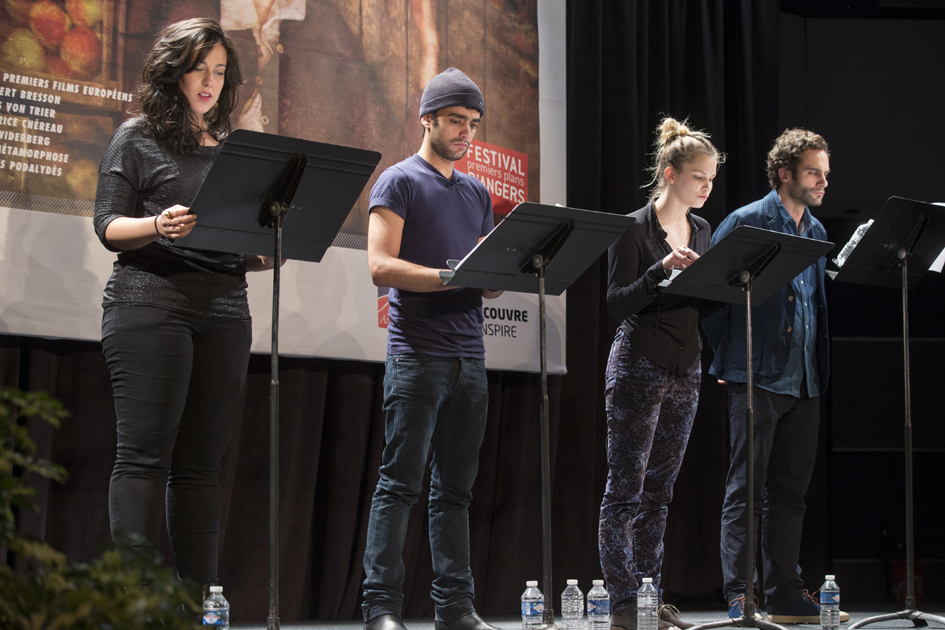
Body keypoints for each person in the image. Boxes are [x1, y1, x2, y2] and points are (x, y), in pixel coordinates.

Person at [93, 18, 279, 585]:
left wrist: (266, 251)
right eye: (199, 68)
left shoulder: (233, 152)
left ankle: (198, 606)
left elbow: (235, 248)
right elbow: (106, 224)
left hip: (224, 309)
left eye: (220, 72)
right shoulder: (138, 135)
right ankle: (134, 605)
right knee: (144, 458)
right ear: (173, 71)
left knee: (200, 467)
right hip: (150, 302)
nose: (209, 82)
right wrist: (156, 223)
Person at [361, 67, 502, 630]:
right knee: (400, 483)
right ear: (428, 120)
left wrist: (500, 269)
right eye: (455, 121)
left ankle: (454, 607)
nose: (466, 132)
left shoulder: (476, 191)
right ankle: (381, 608)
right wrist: (454, 275)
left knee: (456, 491)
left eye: (472, 123)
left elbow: (487, 280)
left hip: (471, 356)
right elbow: (379, 266)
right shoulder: (398, 181)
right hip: (417, 354)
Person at [704, 129, 846, 623]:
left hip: (805, 380)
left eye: (825, 174)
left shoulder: (816, 231)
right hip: (756, 377)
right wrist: (727, 360)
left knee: (790, 494)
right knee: (747, 490)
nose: (823, 182)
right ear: (786, 173)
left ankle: (786, 592)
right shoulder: (746, 222)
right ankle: (742, 594)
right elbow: (712, 298)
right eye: (814, 172)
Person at [599, 117, 722, 630]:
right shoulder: (632, 228)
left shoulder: (705, 231)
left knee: (661, 489)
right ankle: (622, 601)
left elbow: (704, 307)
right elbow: (614, 304)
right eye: (699, 176)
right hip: (638, 363)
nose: (706, 187)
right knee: (625, 487)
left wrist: (717, 282)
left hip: (685, 368)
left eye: (712, 178)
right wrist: (659, 272)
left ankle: (650, 594)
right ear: (670, 174)